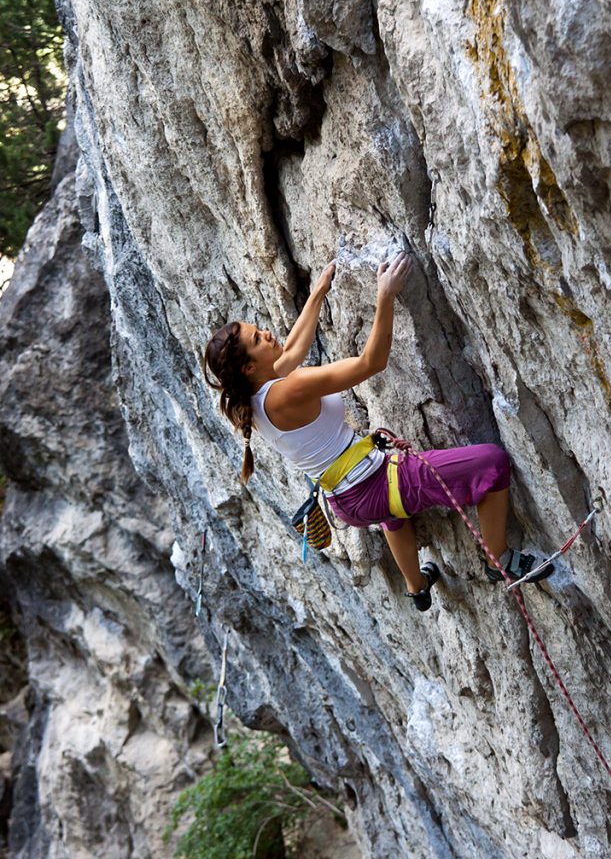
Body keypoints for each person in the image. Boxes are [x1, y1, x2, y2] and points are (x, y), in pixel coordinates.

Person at [203, 252, 553, 611]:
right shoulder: (286, 391)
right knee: (491, 463)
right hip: (368, 487)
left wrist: (318, 291)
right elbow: (372, 362)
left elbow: (291, 350)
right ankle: (499, 561)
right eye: (257, 339)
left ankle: (417, 586)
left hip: (348, 501)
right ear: (248, 367)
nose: (266, 332)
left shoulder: (255, 398)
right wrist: (385, 296)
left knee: (391, 512)